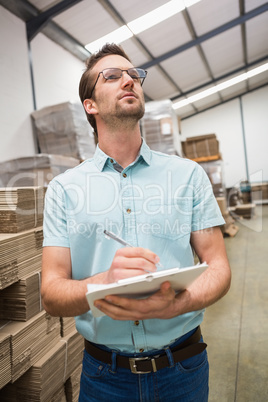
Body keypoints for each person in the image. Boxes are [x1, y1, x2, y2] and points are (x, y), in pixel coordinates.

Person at [41, 43, 231, 401]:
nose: (129, 80)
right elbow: (51, 294)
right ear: (91, 106)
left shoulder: (188, 176)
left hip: (183, 370)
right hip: (105, 379)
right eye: (112, 76)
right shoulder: (64, 190)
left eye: (134, 74)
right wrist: (104, 283)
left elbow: (219, 267)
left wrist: (175, 304)